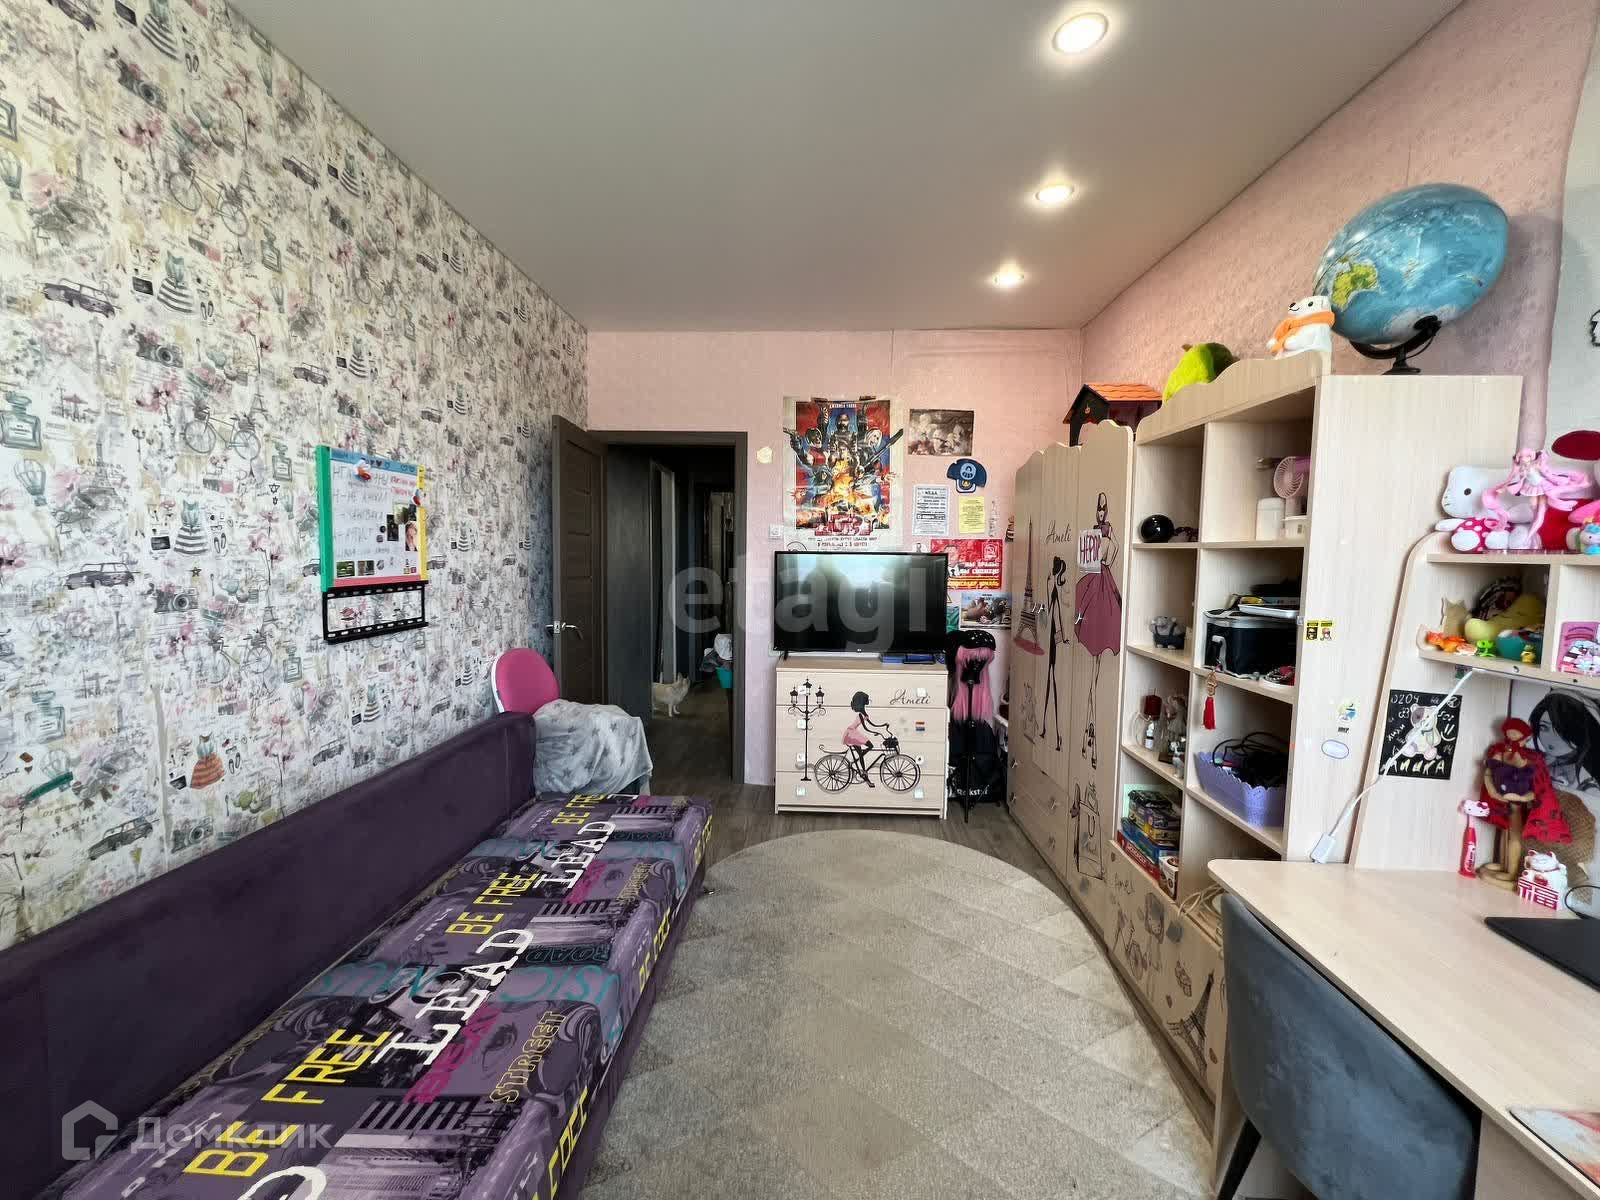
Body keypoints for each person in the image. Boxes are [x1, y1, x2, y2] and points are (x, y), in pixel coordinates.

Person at [841, 690, 889, 786]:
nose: (868, 701)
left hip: (853, 732)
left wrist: (882, 725)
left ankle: (862, 768)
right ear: (862, 701)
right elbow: (866, 728)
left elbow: (872, 724)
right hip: (851, 733)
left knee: (865, 750)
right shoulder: (860, 714)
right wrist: (874, 732)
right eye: (866, 699)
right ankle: (864, 774)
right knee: (869, 747)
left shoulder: (863, 713)